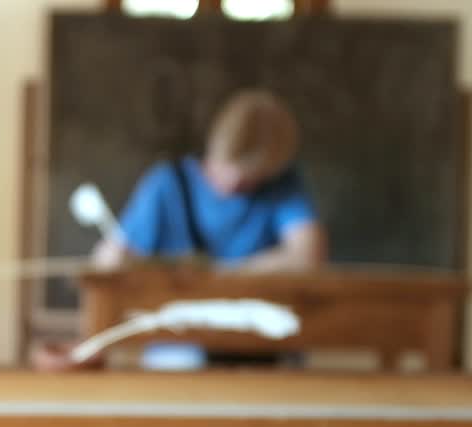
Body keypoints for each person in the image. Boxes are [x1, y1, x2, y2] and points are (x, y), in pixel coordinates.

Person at [90, 89, 327, 369]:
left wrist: (223, 274)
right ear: (217, 146)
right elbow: (107, 262)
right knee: (184, 361)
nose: (236, 183)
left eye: (252, 178)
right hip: (180, 341)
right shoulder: (168, 185)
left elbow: (308, 255)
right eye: (231, 168)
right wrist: (116, 258)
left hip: (259, 338)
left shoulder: (280, 187)